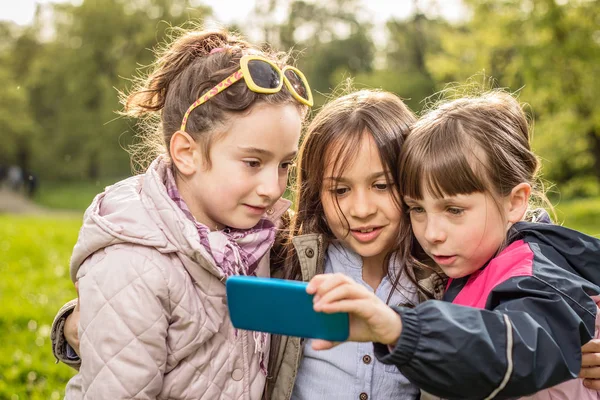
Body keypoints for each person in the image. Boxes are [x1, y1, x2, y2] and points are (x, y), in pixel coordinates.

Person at [56, 27, 312, 399]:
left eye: (285, 164)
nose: (273, 188)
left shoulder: (255, 237)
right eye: (253, 162)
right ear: (187, 153)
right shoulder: (135, 265)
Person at [307, 90, 600, 399]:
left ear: (514, 202)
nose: (432, 233)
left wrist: (400, 329)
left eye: (454, 210)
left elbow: (512, 347)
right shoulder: (464, 266)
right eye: (417, 209)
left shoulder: (534, 273)